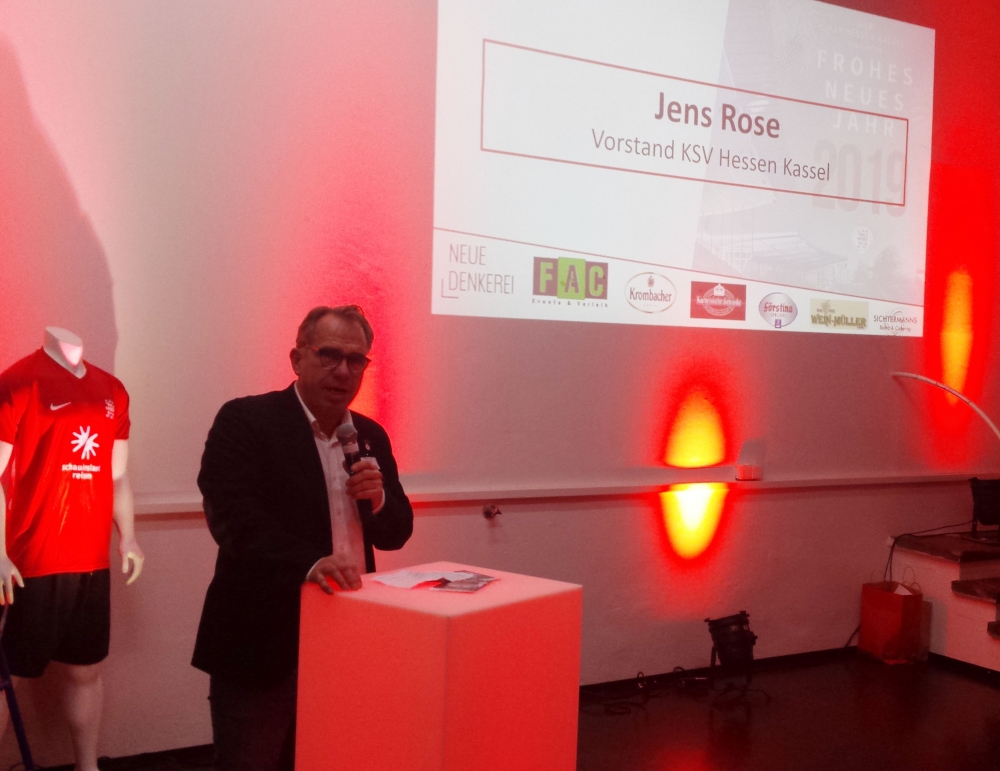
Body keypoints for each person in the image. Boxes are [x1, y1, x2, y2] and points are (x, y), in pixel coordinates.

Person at [192, 305, 413, 771]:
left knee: (333, 758)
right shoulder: (246, 421)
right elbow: (233, 520)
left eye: (356, 359)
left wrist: (378, 501)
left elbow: (397, 533)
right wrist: (311, 563)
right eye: (329, 354)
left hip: (348, 637)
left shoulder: (370, 435)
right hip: (262, 641)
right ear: (297, 358)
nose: (343, 371)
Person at [0, 327, 143, 771]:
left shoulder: (112, 390)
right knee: (9, 676)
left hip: (91, 560)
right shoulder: (18, 382)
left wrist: (129, 536)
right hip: (31, 560)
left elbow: (117, 475)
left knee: (85, 670)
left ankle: (87, 765)